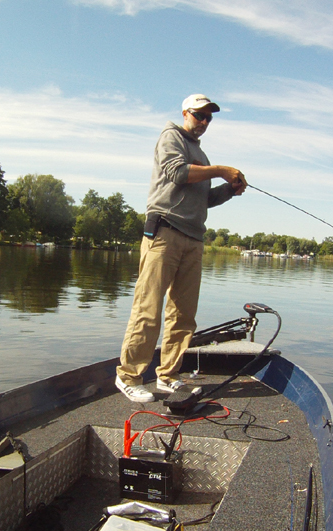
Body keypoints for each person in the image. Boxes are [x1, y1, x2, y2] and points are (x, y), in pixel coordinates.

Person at [115, 93, 247, 402]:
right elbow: (177, 173)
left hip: (193, 239)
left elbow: (204, 199)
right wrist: (221, 170)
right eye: (199, 115)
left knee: (183, 315)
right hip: (164, 233)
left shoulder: (201, 155)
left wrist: (229, 189)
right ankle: (129, 376)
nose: (204, 122)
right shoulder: (170, 137)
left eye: (208, 118)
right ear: (185, 112)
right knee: (148, 310)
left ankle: (168, 375)